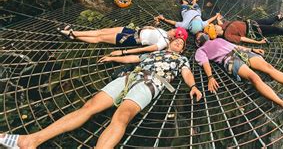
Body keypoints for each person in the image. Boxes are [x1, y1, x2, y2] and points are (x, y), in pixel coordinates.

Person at [0, 37, 202, 149]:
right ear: (169, 43)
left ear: (182, 51)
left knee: (121, 116)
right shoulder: (153, 53)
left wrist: (192, 86)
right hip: (129, 77)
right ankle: (29, 141)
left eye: (181, 44)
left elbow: (187, 74)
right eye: (175, 41)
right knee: (88, 107)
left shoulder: (181, 60)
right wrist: (113, 58)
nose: (178, 43)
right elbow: (133, 60)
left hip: (151, 83)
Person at [193, 32, 283, 119]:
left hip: (239, 53)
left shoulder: (219, 40)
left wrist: (252, 49)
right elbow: (205, 63)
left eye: (202, 33)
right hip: (229, 60)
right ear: (197, 42)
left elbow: (235, 46)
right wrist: (210, 77)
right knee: (254, 77)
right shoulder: (200, 50)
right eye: (199, 36)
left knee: (269, 67)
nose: (202, 35)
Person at [58, 23, 188, 55]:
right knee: (102, 31)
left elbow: (149, 48)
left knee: (100, 38)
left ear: (174, 36)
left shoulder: (164, 42)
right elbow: (152, 30)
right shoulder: (164, 32)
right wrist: (149, 27)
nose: (172, 29)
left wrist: (124, 52)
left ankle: (72, 33)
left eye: (175, 31)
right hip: (132, 31)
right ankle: (73, 33)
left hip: (132, 39)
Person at [205, 13, 283, 45]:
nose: (215, 25)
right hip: (253, 30)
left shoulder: (222, 26)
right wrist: (258, 42)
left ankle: (277, 17)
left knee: (268, 20)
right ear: (216, 32)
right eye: (214, 27)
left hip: (251, 23)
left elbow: (220, 22)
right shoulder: (227, 36)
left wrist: (218, 17)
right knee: (276, 30)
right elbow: (243, 39)